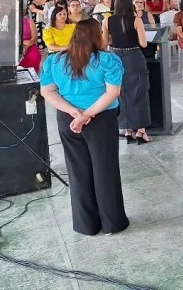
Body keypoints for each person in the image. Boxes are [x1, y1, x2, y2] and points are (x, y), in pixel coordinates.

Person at [39, 19, 129, 236]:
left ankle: (86, 225)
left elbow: (47, 91)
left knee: (77, 171)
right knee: (105, 169)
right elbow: (113, 92)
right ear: (97, 36)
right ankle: (112, 223)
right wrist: (86, 115)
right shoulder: (107, 60)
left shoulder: (55, 60)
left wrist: (73, 112)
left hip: (68, 120)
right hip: (101, 119)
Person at [104, 0, 151, 144]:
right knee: (139, 91)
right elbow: (143, 43)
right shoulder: (136, 19)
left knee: (121, 92)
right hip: (133, 57)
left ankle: (127, 129)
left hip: (115, 57)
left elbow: (104, 43)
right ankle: (141, 130)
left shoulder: (107, 20)